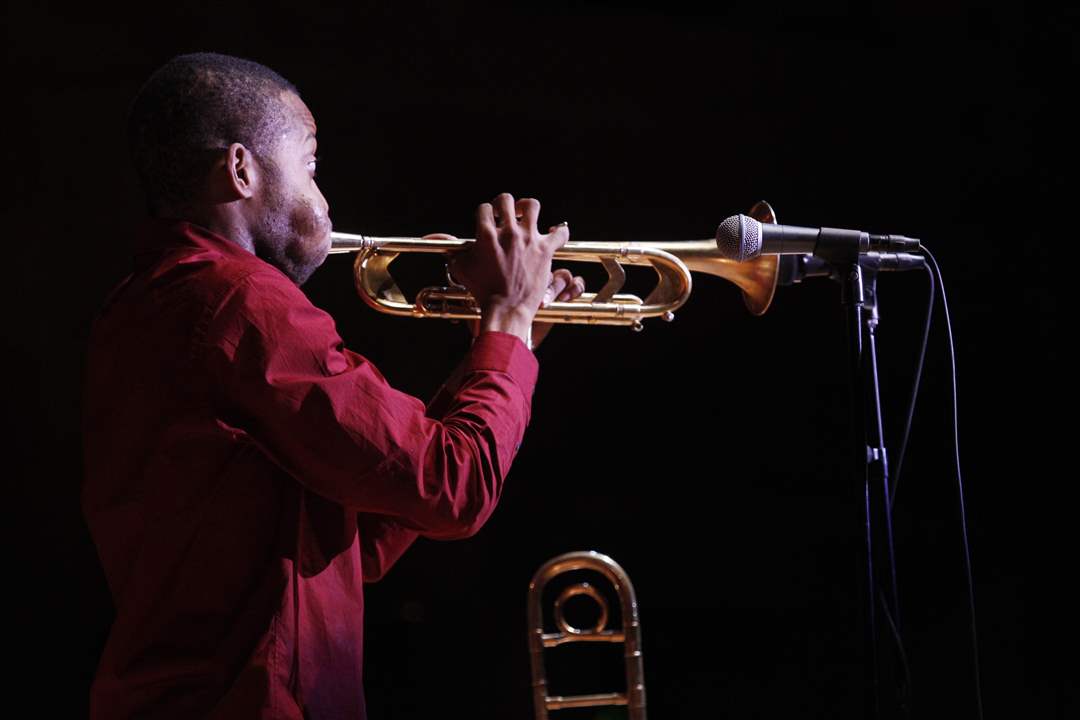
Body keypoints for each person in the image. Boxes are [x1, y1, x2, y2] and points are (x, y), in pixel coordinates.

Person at [82, 52, 583, 720]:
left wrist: (502, 347)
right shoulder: (243, 302)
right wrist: (510, 316)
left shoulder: (138, 307)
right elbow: (456, 487)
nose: (324, 197)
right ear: (241, 169)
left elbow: (355, 539)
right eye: (311, 166)